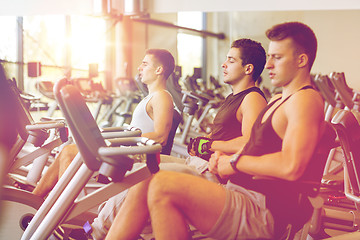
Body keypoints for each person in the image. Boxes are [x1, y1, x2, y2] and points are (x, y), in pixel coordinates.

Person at [104, 21, 325, 240]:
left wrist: (233, 162)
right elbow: (255, 146)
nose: (268, 65)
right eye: (269, 57)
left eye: (277, 57)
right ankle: (99, 232)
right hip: (240, 189)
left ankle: (98, 231)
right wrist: (221, 154)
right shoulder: (279, 99)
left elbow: (291, 166)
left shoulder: (304, 100)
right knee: (148, 179)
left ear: (301, 60)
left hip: (262, 208)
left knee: (160, 184)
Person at [90, 38, 268, 239]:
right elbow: (225, 134)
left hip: (210, 171)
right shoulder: (234, 98)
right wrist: (203, 139)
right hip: (196, 161)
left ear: (248, 68)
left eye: (231, 60)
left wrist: (210, 145)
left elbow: (250, 142)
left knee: (145, 175)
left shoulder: (252, 98)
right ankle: (108, 224)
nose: (223, 64)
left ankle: (98, 230)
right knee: (135, 164)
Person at [32, 48, 175, 198]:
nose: (139, 68)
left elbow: (161, 137)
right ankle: (34, 201)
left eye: (145, 64)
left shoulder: (162, 97)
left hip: (139, 156)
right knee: (66, 151)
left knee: (69, 153)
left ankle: (60, 209)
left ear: (159, 70)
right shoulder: (151, 97)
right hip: (131, 149)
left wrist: (117, 142)